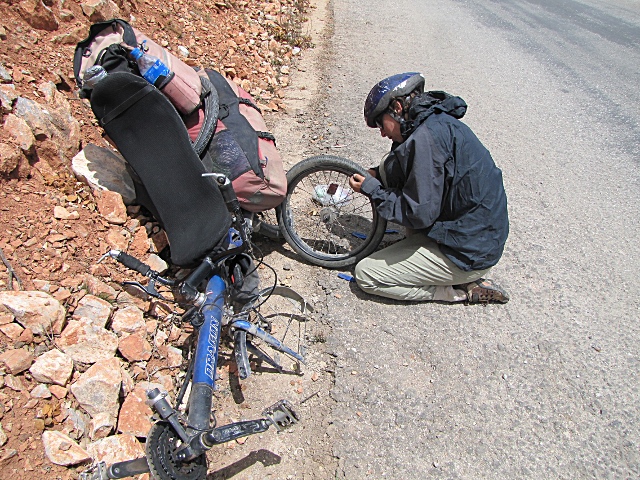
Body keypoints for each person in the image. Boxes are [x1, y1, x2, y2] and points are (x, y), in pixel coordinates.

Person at [349, 72, 509, 304]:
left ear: (397, 107)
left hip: (467, 253)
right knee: (387, 166)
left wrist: (374, 190)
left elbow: (419, 213)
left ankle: (455, 290)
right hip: (475, 234)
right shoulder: (433, 122)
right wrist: (377, 176)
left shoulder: (425, 142)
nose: (382, 133)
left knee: (366, 275)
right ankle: (438, 266)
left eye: (380, 123)